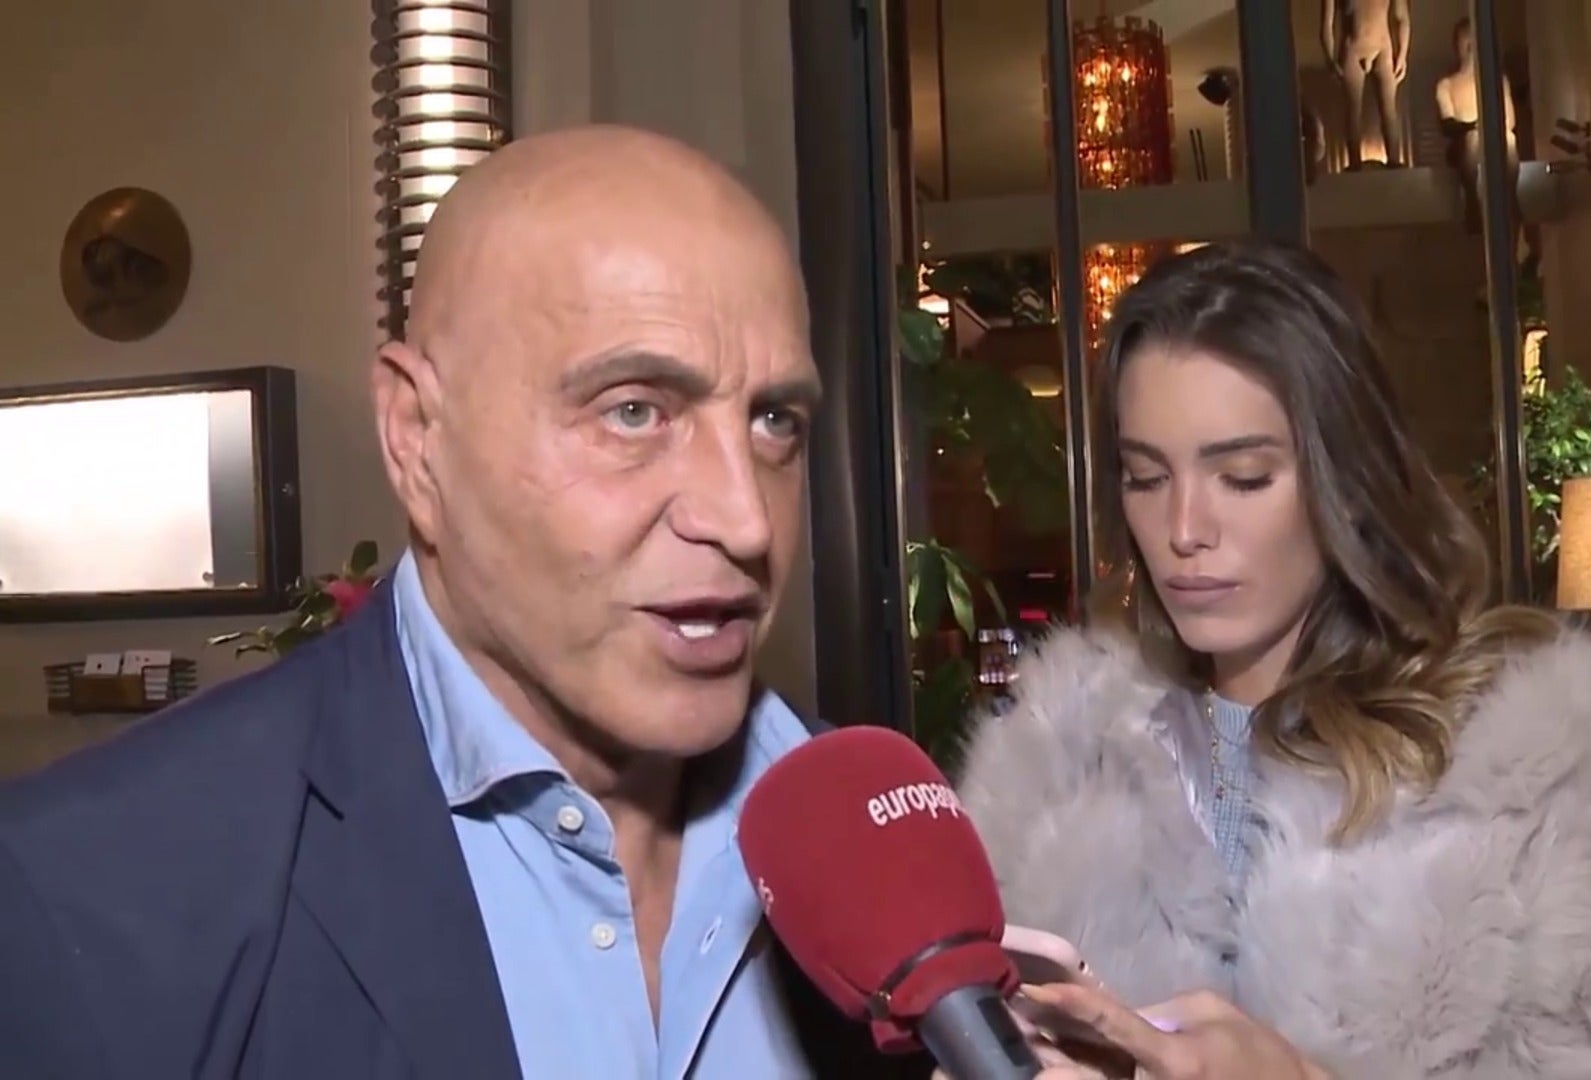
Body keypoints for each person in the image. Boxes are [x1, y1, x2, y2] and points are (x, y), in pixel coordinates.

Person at [0, 126, 920, 1078]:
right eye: (633, 411)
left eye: (774, 421)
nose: (746, 519)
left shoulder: (890, 853)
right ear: (417, 438)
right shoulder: (88, 890)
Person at [959, 240, 1591, 1077]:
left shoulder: (1560, 778)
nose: (1184, 530)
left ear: (1346, 480)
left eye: (1243, 477)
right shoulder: (1051, 771)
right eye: (1145, 477)